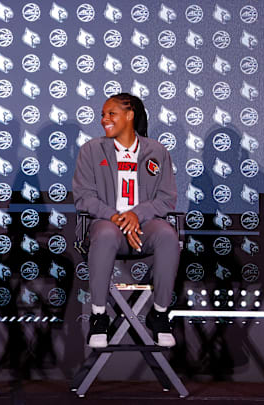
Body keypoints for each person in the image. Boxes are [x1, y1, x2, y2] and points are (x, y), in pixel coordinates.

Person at [72, 93, 179, 348]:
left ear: (129, 116)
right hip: (107, 223)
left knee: (166, 235)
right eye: (103, 115)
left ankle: (160, 314)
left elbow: (167, 199)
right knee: (107, 233)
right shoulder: (91, 149)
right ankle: (99, 317)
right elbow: (83, 197)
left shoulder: (157, 151)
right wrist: (117, 217)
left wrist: (136, 215)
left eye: (111, 114)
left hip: (144, 226)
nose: (104, 120)